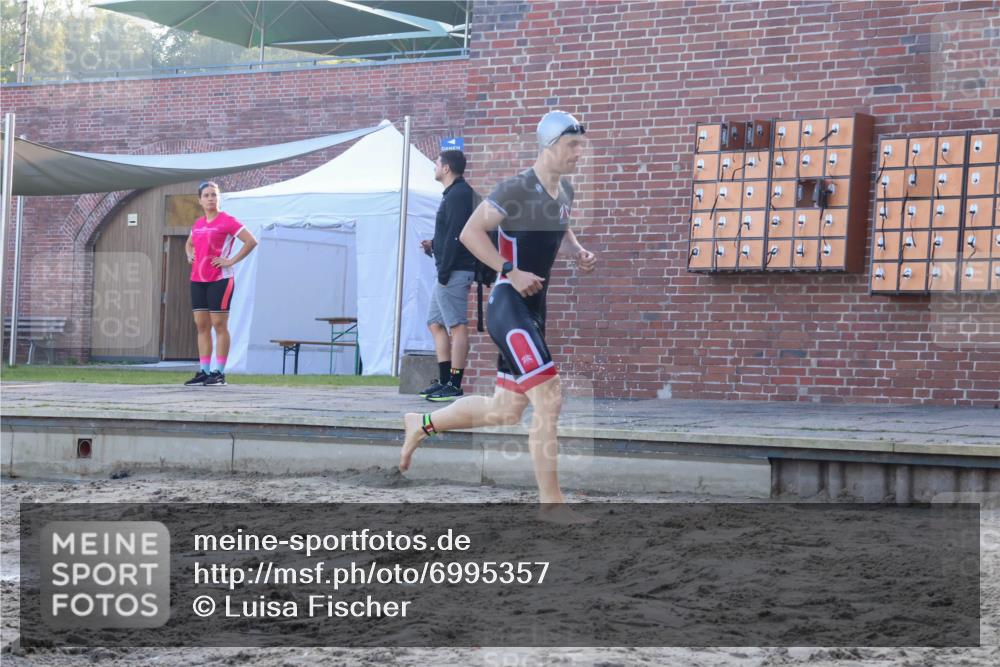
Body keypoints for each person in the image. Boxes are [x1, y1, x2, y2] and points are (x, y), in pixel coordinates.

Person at [400, 111, 597, 523]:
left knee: (504, 410)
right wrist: (510, 270)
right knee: (550, 397)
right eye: (573, 145)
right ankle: (552, 504)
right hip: (509, 305)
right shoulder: (516, 189)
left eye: (582, 145)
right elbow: (470, 234)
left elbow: (560, 226)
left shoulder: (564, 192)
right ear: (550, 145)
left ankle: (421, 424)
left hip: (534, 310)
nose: (581, 152)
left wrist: (576, 250)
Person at [419, 150, 479, 402]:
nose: (434, 166)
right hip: (447, 269)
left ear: (446, 168)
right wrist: (434, 243)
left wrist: (444, 271)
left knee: (457, 325)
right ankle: (444, 380)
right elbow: (450, 233)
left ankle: (454, 384)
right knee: (435, 322)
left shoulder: (458, 195)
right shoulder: (453, 195)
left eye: (436, 163)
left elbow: (458, 236)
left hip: (453, 271)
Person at [183, 181, 257, 386]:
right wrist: (190, 254)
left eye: (214, 195)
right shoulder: (197, 224)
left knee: (219, 324)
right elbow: (189, 243)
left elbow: (251, 241)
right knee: (201, 325)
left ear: (219, 198)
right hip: (197, 279)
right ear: (200, 200)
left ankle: (220, 373)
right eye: (206, 195)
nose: (210, 198)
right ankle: (205, 371)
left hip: (220, 279)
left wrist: (231, 261)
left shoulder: (228, 221)